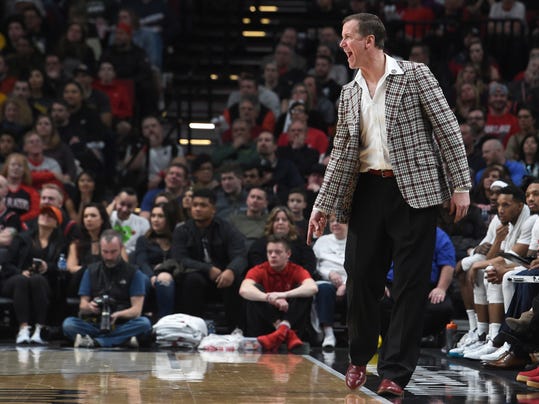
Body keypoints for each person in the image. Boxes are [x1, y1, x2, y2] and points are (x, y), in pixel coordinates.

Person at [307, 13, 471, 396]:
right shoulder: (348, 92)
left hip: (415, 192)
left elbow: (447, 129)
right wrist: (323, 204)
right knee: (360, 276)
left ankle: (396, 373)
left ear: (369, 40)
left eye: (347, 37)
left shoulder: (415, 75)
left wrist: (460, 185)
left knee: (411, 285)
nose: (341, 44)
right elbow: (343, 154)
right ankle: (360, 355)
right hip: (367, 191)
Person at [171, 188, 247, 331]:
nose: (198, 209)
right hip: (196, 276)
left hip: (223, 277)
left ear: (213, 209)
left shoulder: (226, 228)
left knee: (237, 281)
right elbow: (179, 258)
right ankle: (193, 329)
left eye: (203, 205)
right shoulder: (182, 230)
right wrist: (207, 269)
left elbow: (240, 255)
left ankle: (237, 330)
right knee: (192, 280)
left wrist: (231, 270)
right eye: (195, 205)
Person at [62, 230, 152, 348]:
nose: (109, 257)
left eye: (113, 252)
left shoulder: (134, 273)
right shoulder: (91, 271)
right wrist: (90, 307)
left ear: (121, 248)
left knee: (144, 324)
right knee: (68, 324)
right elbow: (82, 305)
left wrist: (119, 314)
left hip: (122, 322)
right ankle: (121, 340)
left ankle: (97, 342)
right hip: (95, 322)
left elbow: (136, 310)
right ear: (100, 249)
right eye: (105, 252)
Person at [239, 235, 318, 351]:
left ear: (288, 254)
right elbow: (244, 289)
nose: (273, 255)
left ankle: (284, 328)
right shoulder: (260, 269)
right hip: (266, 319)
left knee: (303, 292)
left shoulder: (296, 269)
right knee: (254, 291)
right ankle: (284, 331)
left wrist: (283, 295)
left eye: (278, 252)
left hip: (290, 317)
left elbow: (312, 288)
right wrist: (270, 298)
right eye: (269, 252)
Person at [2, 205, 66, 344]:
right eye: (43, 214)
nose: (45, 217)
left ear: (57, 223)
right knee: (22, 280)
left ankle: (39, 330)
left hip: (44, 283)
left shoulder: (60, 244)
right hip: (15, 280)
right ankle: (23, 329)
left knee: (37, 279)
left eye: (50, 216)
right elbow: (7, 264)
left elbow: (62, 268)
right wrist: (21, 272)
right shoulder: (22, 238)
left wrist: (47, 267)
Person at [132, 203, 180, 319]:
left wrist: (163, 269)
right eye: (153, 216)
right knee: (144, 279)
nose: (155, 220)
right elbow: (141, 261)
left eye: (160, 216)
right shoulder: (143, 240)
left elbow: (179, 260)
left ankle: (166, 320)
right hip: (148, 276)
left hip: (173, 275)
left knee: (165, 278)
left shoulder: (178, 240)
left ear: (169, 218)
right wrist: (152, 276)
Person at [312, 214, 348, 349]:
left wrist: (345, 284)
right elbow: (316, 265)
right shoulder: (322, 241)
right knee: (324, 290)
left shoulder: (356, 241)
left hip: (350, 281)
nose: (335, 223)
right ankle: (328, 333)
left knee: (357, 292)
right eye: (332, 221)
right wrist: (329, 274)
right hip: (327, 280)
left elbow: (359, 267)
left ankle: (353, 334)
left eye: (340, 220)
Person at [107, 188, 150, 257]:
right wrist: (112, 205)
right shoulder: (108, 216)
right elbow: (100, 221)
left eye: (129, 206)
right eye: (122, 204)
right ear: (116, 200)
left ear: (136, 205)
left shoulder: (143, 223)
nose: (124, 209)